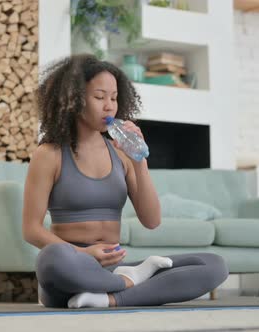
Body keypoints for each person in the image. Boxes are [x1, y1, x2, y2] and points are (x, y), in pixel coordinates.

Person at [22, 54, 228, 308]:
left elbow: (152, 221)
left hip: (114, 268)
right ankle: (131, 284)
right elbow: (31, 229)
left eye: (114, 97)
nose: (109, 106)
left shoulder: (121, 153)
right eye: (99, 97)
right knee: (52, 258)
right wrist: (83, 253)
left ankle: (109, 298)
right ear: (74, 100)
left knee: (214, 265)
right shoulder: (49, 154)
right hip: (71, 267)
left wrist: (140, 161)